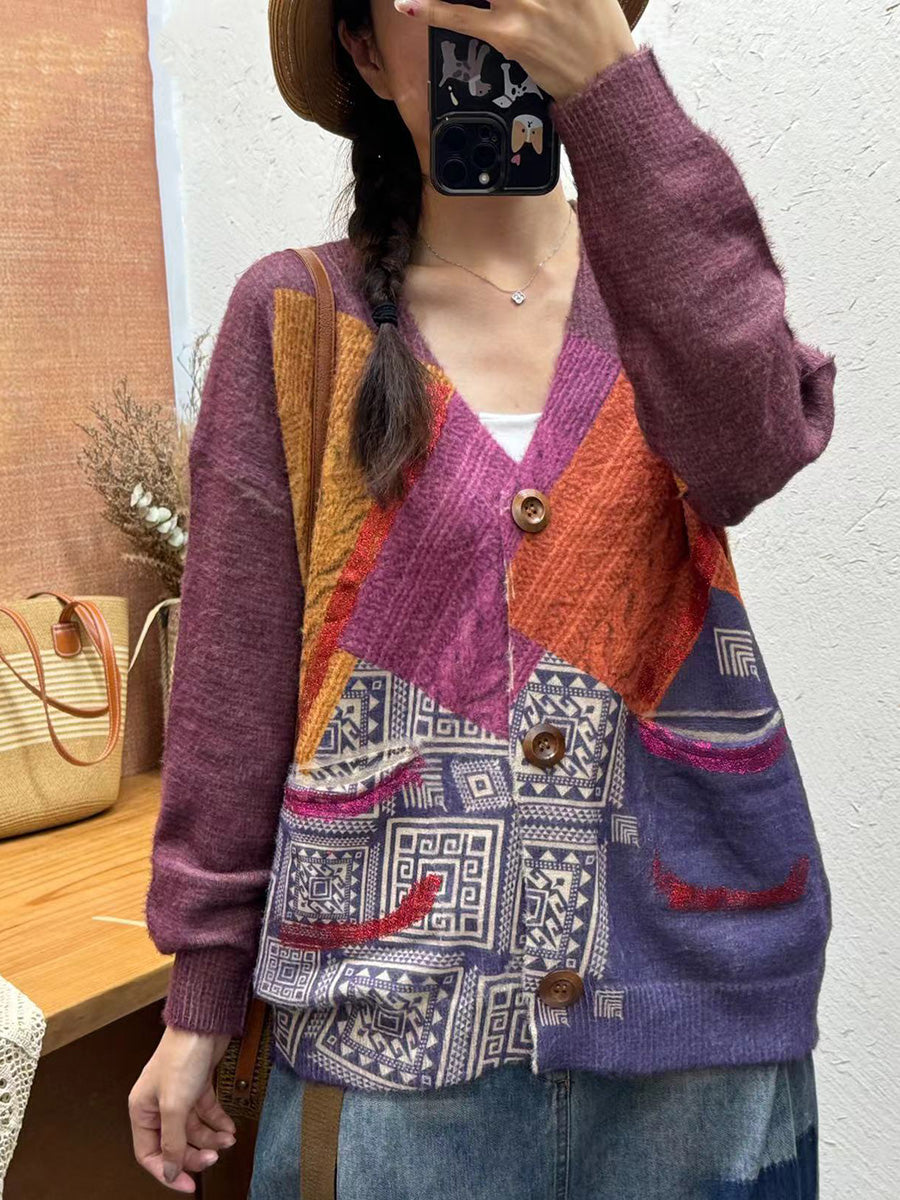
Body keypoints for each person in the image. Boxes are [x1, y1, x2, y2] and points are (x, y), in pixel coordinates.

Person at [128, 0, 836, 1196]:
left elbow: (756, 442)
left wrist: (617, 95)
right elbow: (231, 684)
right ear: (362, 47)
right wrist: (200, 992)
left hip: (693, 1029)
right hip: (387, 1038)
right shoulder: (299, 316)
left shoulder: (667, 293)